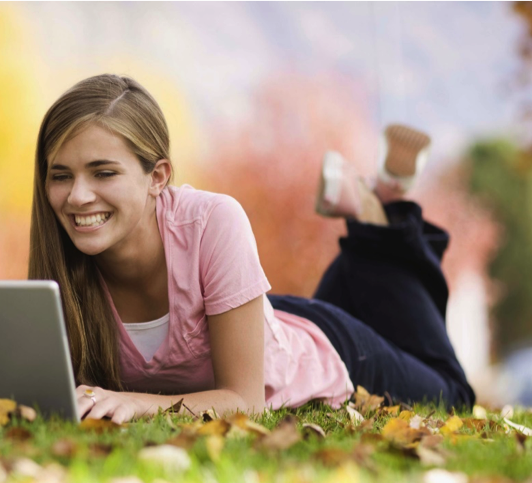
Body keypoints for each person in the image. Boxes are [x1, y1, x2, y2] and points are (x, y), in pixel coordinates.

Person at [27, 74, 475, 424]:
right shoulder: (62, 259)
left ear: (158, 176)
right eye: (60, 175)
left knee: (452, 396)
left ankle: (379, 212)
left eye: (103, 173)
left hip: (331, 354)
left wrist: (137, 403)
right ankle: (371, 212)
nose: (76, 196)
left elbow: (244, 402)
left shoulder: (211, 221)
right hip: (262, 322)